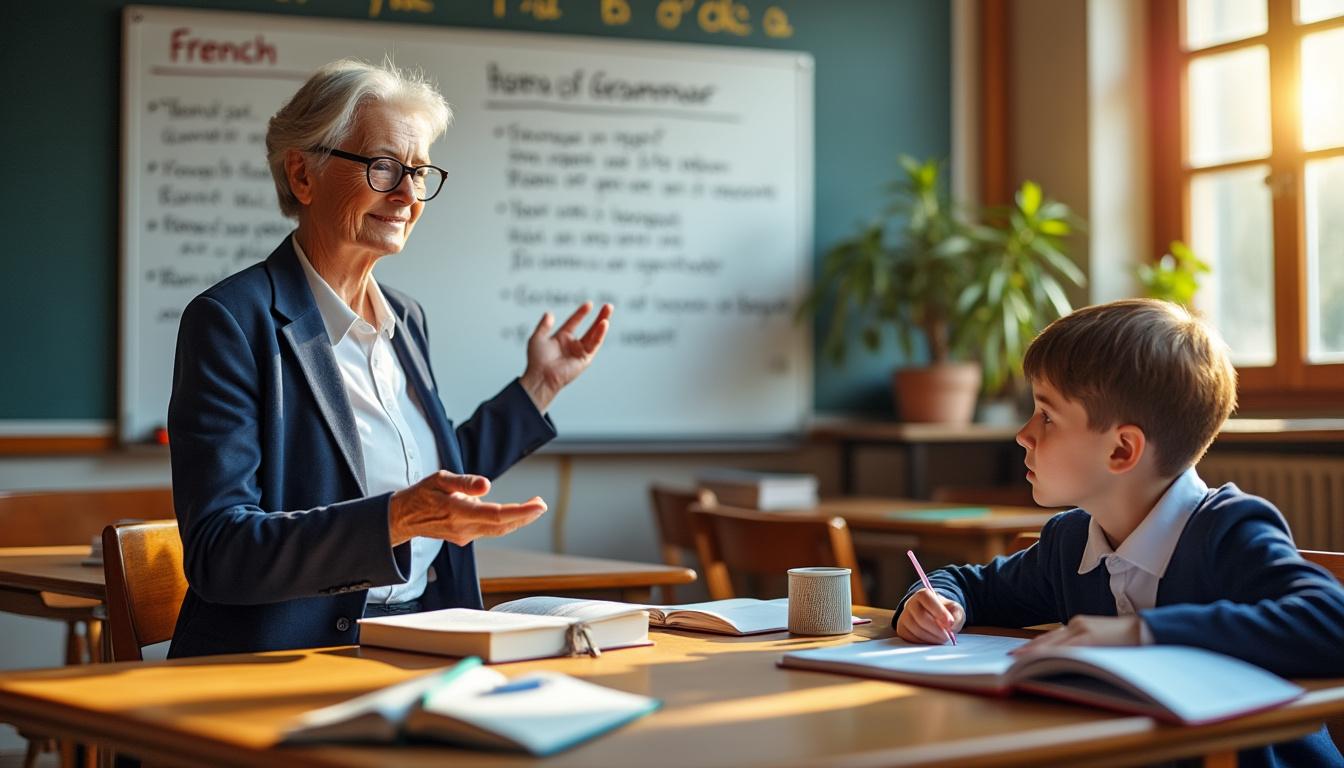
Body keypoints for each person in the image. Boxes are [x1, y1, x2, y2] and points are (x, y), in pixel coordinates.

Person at [166, 59, 612, 658]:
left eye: (420, 172)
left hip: (425, 639)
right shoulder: (231, 321)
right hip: (290, 658)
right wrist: (392, 521)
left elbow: (429, 485)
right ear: (303, 175)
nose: (408, 194)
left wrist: (538, 387)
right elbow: (221, 551)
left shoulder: (405, 317)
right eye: (383, 168)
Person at [894, 299, 1344, 767]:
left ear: (1122, 450)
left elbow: (1333, 624)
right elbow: (969, 585)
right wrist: (932, 604)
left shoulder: (1227, 530)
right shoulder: (1070, 543)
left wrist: (1138, 633)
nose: (1024, 434)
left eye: (1047, 416)